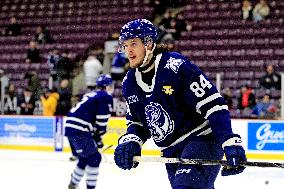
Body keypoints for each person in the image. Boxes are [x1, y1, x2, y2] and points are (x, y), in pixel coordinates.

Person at [114, 19, 247, 189]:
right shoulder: (129, 82)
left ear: (148, 43)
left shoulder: (175, 66)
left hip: (201, 141)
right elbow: (137, 123)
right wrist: (131, 141)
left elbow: (214, 106)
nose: (129, 50)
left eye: (134, 43)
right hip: (170, 152)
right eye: (125, 45)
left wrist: (228, 140)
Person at [65, 74, 113, 189]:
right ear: (107, 86)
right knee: (95, 157)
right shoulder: (105, 96)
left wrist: (96, 137)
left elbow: (87, 116)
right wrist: (99, 136)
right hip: (79, 129)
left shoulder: (91, 94)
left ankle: (73, 184)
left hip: (70, 127)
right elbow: (101, 121)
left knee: (85, 157)